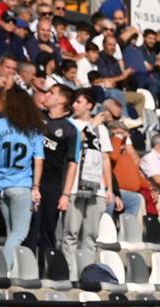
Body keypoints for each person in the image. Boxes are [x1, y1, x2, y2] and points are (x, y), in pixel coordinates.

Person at [0, 86, 44, 268]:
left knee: (12, 232)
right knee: (19, 233)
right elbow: (39, 160)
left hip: (0, 184)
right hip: (21, 185)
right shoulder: (34, 129)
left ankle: (11, 270)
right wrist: (36, 187)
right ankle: (2, 270)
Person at [62, 88, 112, 281]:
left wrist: (109, 188)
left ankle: (87, 275)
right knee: (71, 233)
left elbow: (105, 158)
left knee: (90, 235)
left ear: (89, 105)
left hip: (96, 188)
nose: (74, 105)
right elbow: (77, 141)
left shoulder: (101, 129)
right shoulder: (70, 124)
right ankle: (69, 274)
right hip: (74, 186)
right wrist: (92, 125)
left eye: (78, 102)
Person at [32, 84, 78, 257]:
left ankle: (45, 271)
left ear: (61, 100)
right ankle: (24, 268)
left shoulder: (70, 130)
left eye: (51, 92)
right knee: (30, 228)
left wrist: (65, 195)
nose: (47, 95)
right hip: (30, 180)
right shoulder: (36, 117)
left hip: (52, 185)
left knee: (47, 231)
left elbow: (72, 163)